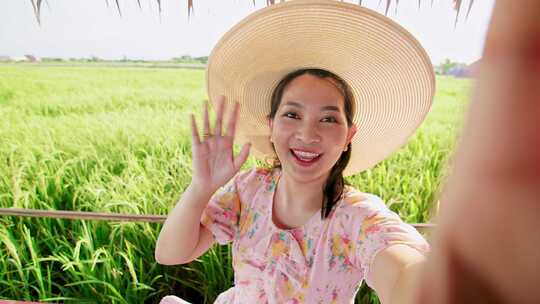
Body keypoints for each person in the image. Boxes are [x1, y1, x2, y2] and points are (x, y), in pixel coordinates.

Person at [155, 1, 434, 303]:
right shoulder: (249, 190)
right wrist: (201, 188)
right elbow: (171, 254)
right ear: (271, 126)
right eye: (292, 115)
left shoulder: (357, 218)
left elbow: (405, 271)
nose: (307, 134)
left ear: (348, 136)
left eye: (328, 119)